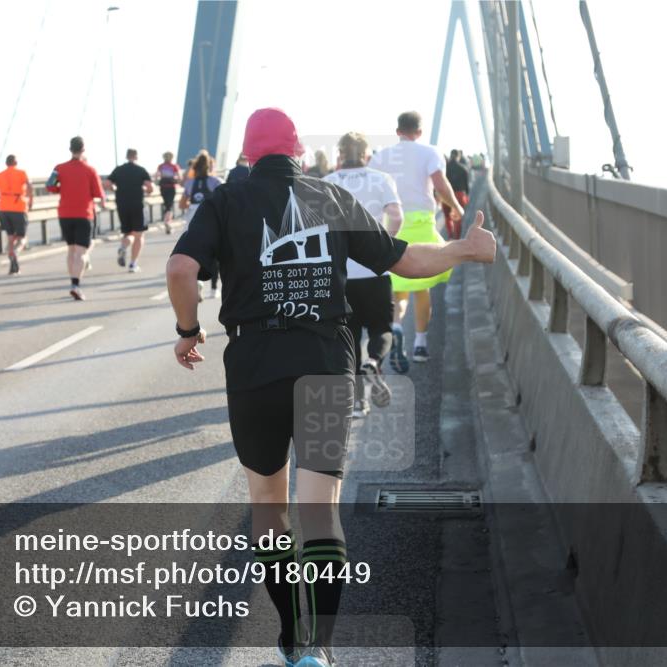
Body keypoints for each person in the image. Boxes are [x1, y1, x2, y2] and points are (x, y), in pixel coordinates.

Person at [166, 107, 496, 667]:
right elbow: (404, 260)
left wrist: (189, 331)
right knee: (321, 510)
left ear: (248, 155)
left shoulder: (225, 200)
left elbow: (179, 271)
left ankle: (291, 637)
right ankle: (315, 649)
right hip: (322, 360)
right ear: (297, 152)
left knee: (269, 504)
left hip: (254, 365)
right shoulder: (333, 198)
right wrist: (464, 249)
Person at [369, 111, 466, 370]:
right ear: (419, 132)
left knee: (398, 287)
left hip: (393, 223)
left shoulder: (381, 156)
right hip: (422, 222)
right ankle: (420, 344)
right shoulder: (430, 152)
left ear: (398, 130)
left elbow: (372, 188)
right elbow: (440, 184)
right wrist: (455, 206)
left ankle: (398, 326)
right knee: (422, 286)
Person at [323, 132, 403, 418]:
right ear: (367, 154)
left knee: (350, 336)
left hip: (342, 274)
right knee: (382, 328)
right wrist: (384, 246)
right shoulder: (381, 179)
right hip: (375, 270)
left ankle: (359, 402)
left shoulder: (328, 183)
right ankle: (374, 360)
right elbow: (395, 215)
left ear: (341, 154)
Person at [46, 136, 106, 301]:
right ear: (83, 149)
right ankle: (76, 284)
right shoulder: (90, 170)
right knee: (81, 252)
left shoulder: (59, 168)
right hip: (84, 214)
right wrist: (103, 203)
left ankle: (73, 281)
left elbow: (49, 185)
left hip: (64, 214)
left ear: (70, 149)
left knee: (71, 250)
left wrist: (61, 189)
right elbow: (99, 194)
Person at [180, 152, 223, 300]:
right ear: (211, 166)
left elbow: (181, 204)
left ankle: (198, 281)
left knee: (195, 254)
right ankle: (214, 289)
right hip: (210, 217)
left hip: (193, 216)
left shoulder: (189, 183)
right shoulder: (216, 181)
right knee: (216, 254)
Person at [105, 148, 153, 273]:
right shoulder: (141, 170)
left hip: (122, 204)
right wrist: (147, 191)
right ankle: (133, 264)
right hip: (137, 204)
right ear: (136, 156)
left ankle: (123, 246)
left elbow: (107, 183)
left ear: (127, 156)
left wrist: (115, 189)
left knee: (128, 233)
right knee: (139, 234)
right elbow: (150, 186)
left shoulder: (119, 169)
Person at [0, 154, 33, 274]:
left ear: (6, 163)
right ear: (16, 163)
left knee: (10, 237)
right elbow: (29, 186)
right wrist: (30, 201)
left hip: (3, 208)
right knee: (22, 238)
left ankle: (13, 266)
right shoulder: (22, 173)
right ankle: (14, 253)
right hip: (18, 207)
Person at [443, 149, 471, 240]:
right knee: (458, 218)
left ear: (450, 155)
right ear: (458, 157)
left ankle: (450, 234)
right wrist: (467, 195)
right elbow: (466, 186)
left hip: (446, 194)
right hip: (459, 195)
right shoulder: (463, 169)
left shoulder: (444, 168)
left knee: (447, 216)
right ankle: (457, 238)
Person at [155, 151, 182, 234]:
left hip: (163, 187)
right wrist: (177, 181)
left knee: (166, 204)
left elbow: (156, 177)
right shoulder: (174, 166)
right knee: (169, 206)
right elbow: (179, 177)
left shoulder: (161, 166)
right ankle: (168, 222)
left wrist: (158, 182)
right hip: (171, 187)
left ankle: (167, 221)